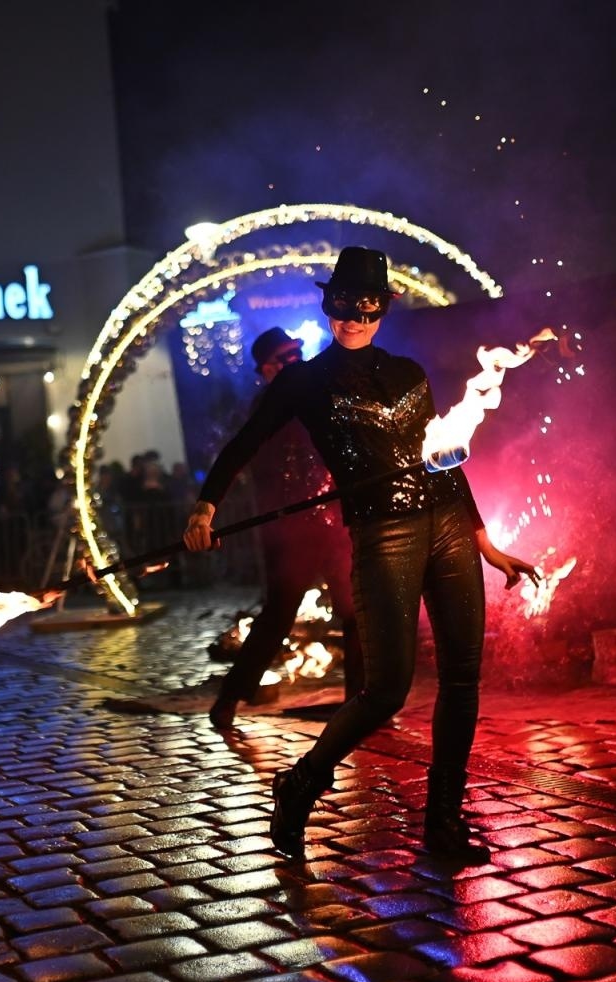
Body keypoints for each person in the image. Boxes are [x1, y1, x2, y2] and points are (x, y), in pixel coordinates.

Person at [184, 247, 538, 862]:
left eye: (363, 308)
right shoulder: (304, 381)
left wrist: (485, 542)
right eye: (340, 306)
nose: (350, 319)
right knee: (386, 689)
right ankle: (299, 784)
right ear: (327, 306)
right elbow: (244, 443)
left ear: (383, 308)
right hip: (384, 534)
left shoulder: (409, 374)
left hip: (449, 527)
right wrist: (205, 507)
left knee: (461, 679)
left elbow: (447, 464)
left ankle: (443, 822)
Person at [207, 327, 363, 730]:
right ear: (267, 368)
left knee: (354, 608)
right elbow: (259, 464)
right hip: (291, 527)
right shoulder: (266, 406)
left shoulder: (323, 393)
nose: (296, 361)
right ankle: (229, 697)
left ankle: (359, 702)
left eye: (298, 352)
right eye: (285, 357)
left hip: (333, 520)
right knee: (278, 614)